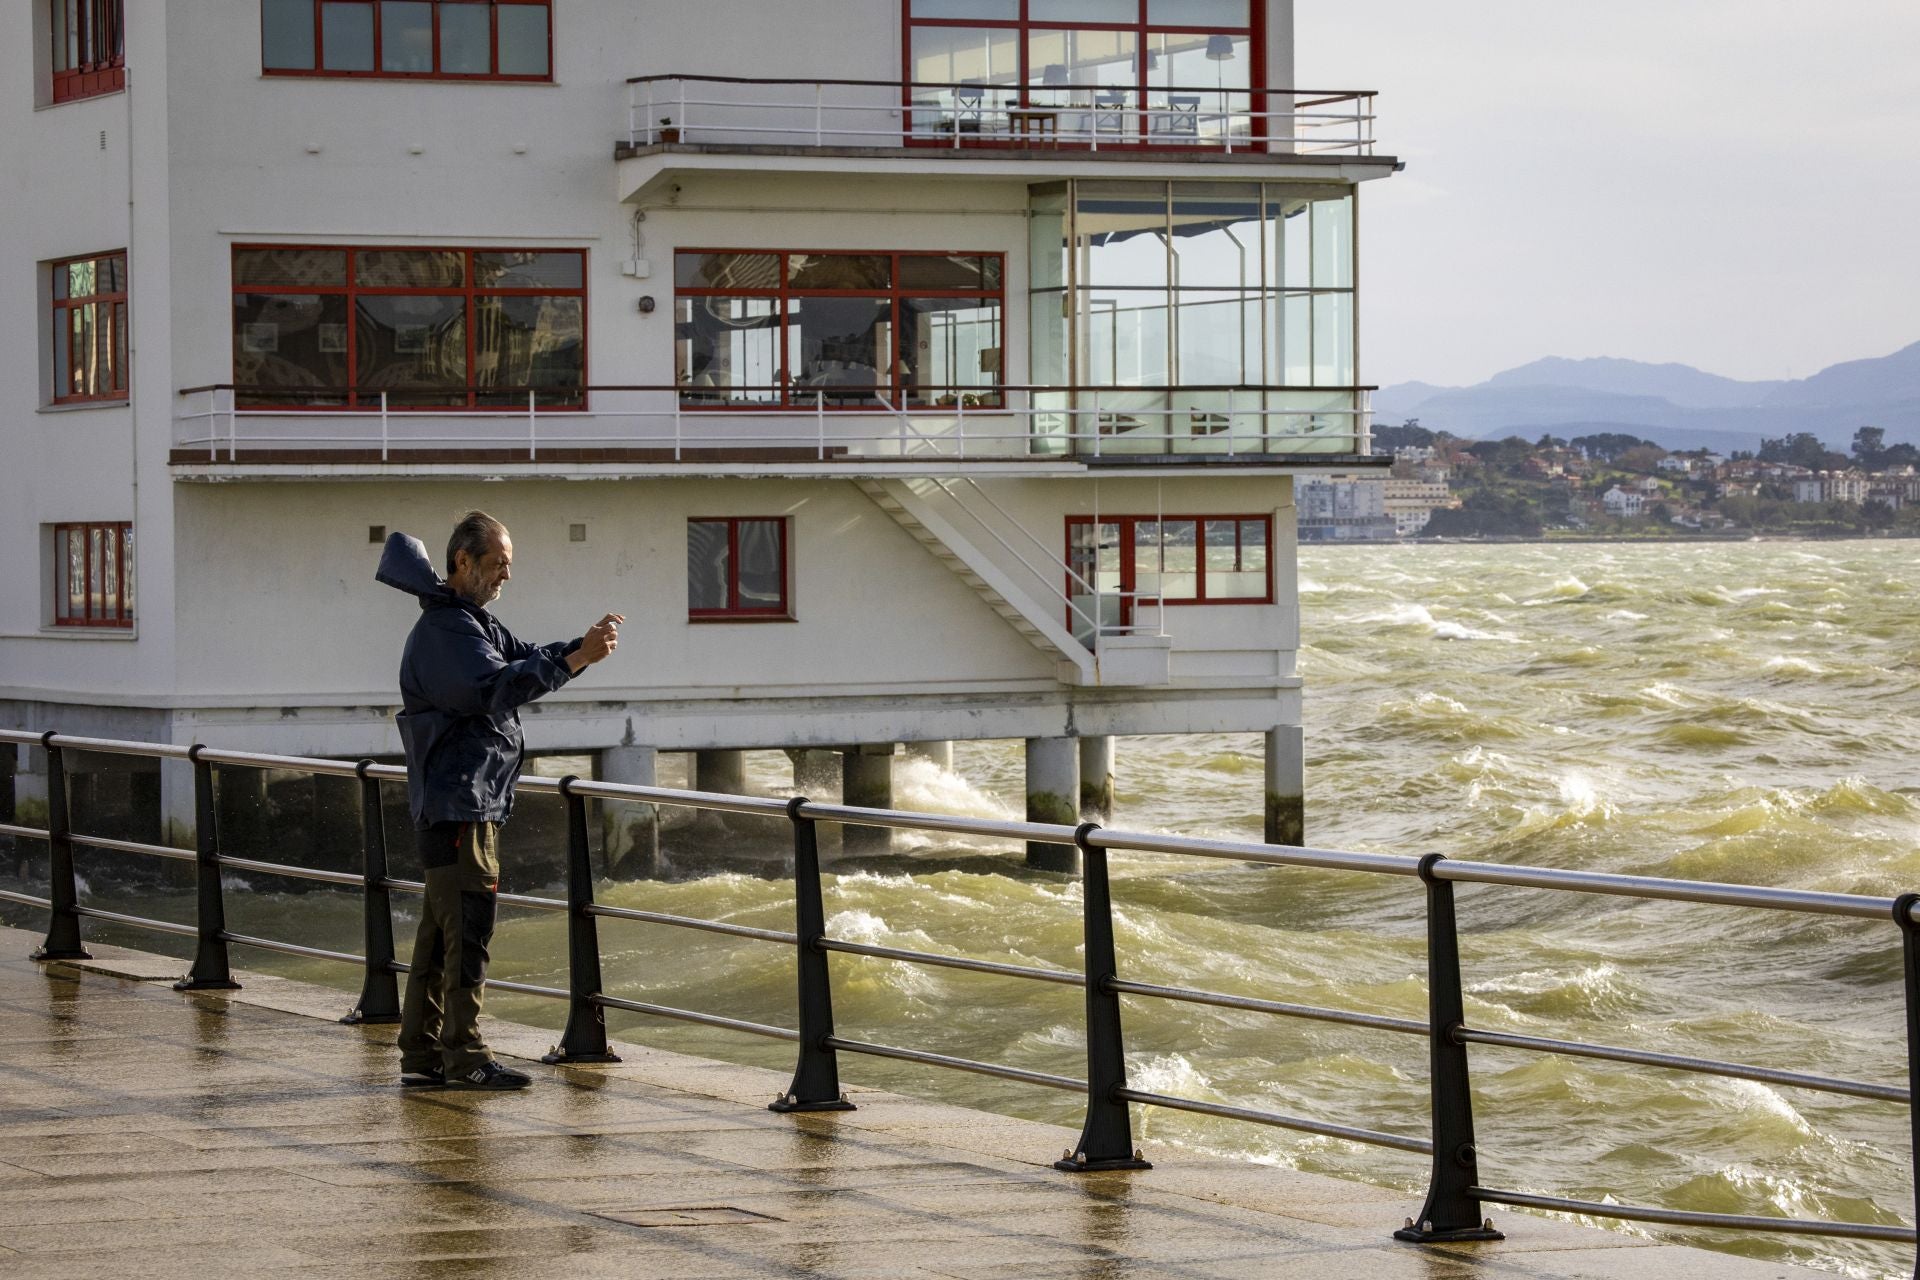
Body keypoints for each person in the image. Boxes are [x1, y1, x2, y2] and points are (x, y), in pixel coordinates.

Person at [375, 511, 622, 1090]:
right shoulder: (446, 633)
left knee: (441, 936)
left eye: (508, 565)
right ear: (463, 561)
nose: (505, 575)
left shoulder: (467, 621)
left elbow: (526, 656)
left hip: (462, 802)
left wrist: (578, 651)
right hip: (460, 806)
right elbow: (494, 688)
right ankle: (466, 1055)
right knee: (468, 934)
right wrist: (576, 659)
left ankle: (424, 1053)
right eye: (497, 565)